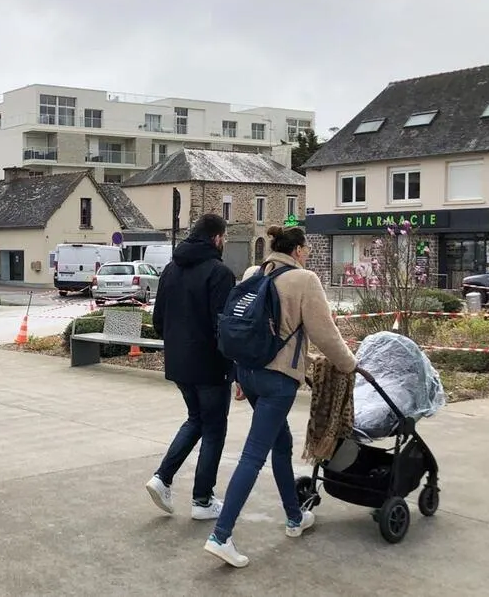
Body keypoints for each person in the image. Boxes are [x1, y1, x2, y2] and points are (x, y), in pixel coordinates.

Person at [204, 225, 372, 568]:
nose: (308, 254)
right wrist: (351, 365)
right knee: (253, 456)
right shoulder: (304, 280)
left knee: (281, 445)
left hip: (249, 373)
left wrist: (239, 373)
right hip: (277, 381)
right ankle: (221, 536)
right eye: (306, 249)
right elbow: (326, 334)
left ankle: (295, 518)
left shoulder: (255, 272)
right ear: (296, 250)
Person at [146, 214, 236, 520]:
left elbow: (158, 321)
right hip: (210, 366)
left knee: (196, 420)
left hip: (179, 364)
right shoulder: (219, 273)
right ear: (216, 238)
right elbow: (223, 326)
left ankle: (162, 478)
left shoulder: (170, 270)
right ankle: (202, 500)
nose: (225, 242)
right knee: (214, 429)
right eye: (224, 237)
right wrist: (232, 369)